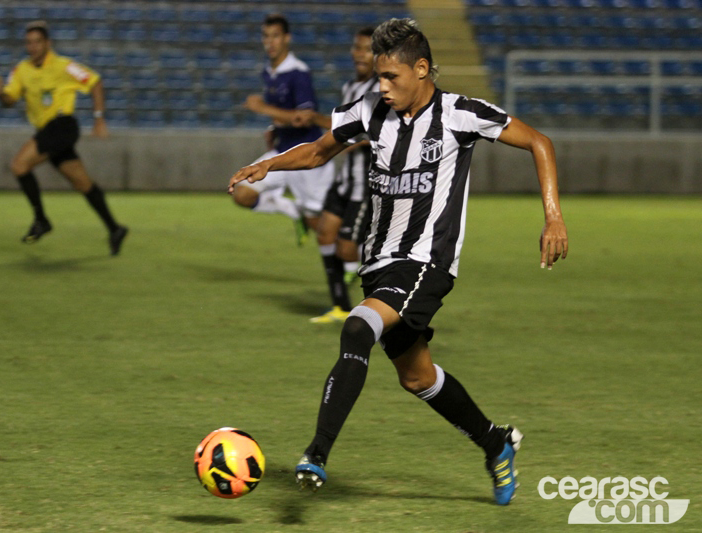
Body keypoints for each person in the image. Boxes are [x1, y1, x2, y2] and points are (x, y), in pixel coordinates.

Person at [229, 18, 568, 505]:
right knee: (417, 377)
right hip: (380, 263)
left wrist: (553, 217)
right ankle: (495, 443)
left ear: (422, 69)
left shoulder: (459, 114)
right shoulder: (369, 110)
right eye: (379, 77)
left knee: (357, 328)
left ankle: (317, 454)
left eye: (391, 77)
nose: (382, 87)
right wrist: (269, 164)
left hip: (427, 261)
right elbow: (319, 152)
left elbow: (540, 142)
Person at [0, 20, 128, 256]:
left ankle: (41, 220)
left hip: (63, 126)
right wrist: (0, 94)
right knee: (83, 183)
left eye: (37, 42)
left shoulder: (64, 66)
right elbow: (10, 100)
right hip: (46, 131)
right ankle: (115, 229)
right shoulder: (21, 70)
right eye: (28, 43)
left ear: (48, 43)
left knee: (19, 165)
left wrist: (99, 118)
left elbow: (94, 82)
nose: (32, 47)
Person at [233, 14, 338, 304]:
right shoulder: (269, 72)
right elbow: (285, 114)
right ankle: (294, 212)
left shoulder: (298, 72)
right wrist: (274, 127)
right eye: (266, 36)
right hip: (280, 153)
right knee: (242, 192)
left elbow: (304, 117)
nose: (270, 42)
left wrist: (263, 109)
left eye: (275, 36)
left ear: (287, 38)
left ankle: (356, 266)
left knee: (324, 230)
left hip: (306, 158)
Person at [293, 27, 379, 324]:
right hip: (345, 181)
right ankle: (340, 306)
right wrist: (317, 120)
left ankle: (380, 299)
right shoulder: (349, 87)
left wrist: (344, 139)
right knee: (325, 233)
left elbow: (375, 132)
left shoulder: (380, 91)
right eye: (356, 48)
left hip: (365, 185)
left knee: (346, 249)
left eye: (366, 49)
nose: (359, 54)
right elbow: (343, 125)